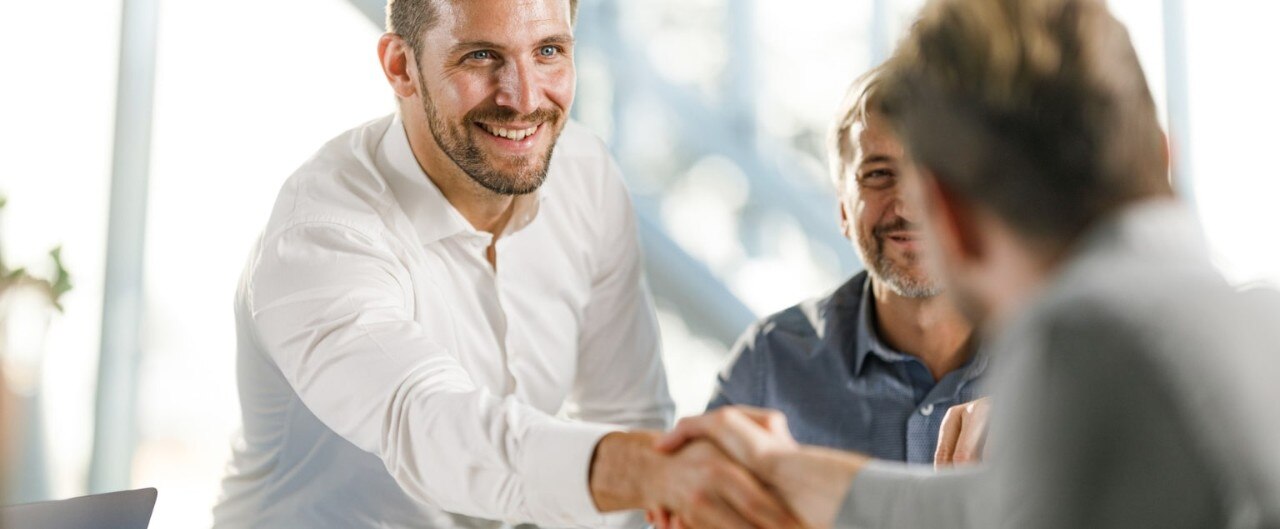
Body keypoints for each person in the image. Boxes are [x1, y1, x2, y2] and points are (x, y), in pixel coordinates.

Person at [656, 0, 1280, 527]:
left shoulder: (1084, 343)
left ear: (949, 217)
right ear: (1160, 150)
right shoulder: (1260, 318)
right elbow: (976, 504)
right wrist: (782, 472)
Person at [212, 1, 800, 528]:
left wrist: (666, 482)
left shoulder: (585, 175)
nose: (522, 97)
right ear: (400, 66)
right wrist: (649, 470)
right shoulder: (323, 234)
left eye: (548, 51)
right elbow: (429, 426)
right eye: (480, 57)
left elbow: (627, 413)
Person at [706, 66, 986, 464]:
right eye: (878, 174)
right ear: (842, 208)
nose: (907, 206)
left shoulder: (1064, 364)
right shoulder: (769, 364)